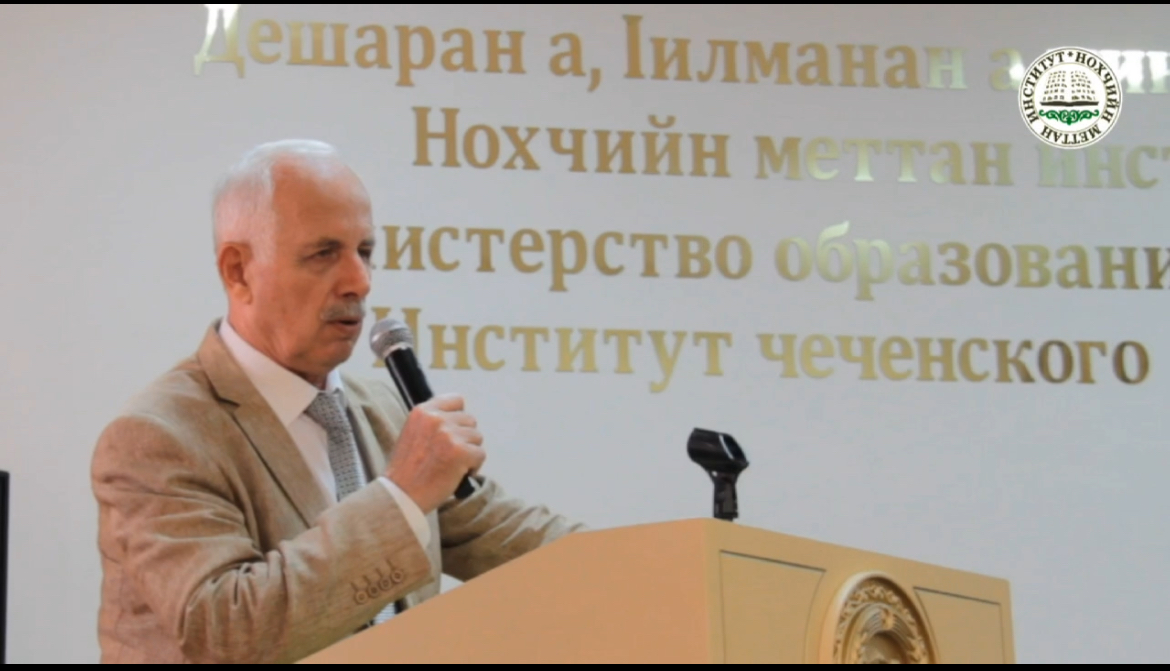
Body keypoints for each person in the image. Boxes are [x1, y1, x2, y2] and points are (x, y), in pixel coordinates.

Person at [89, 140, 586, 664]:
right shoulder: (158, 436)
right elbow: (226, 630)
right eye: (324, 254)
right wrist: (401, 495)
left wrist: (641, 561)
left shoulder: (387, 410)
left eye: (364, 252)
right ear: (238, 271)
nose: (360, 281)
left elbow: (513, 537)